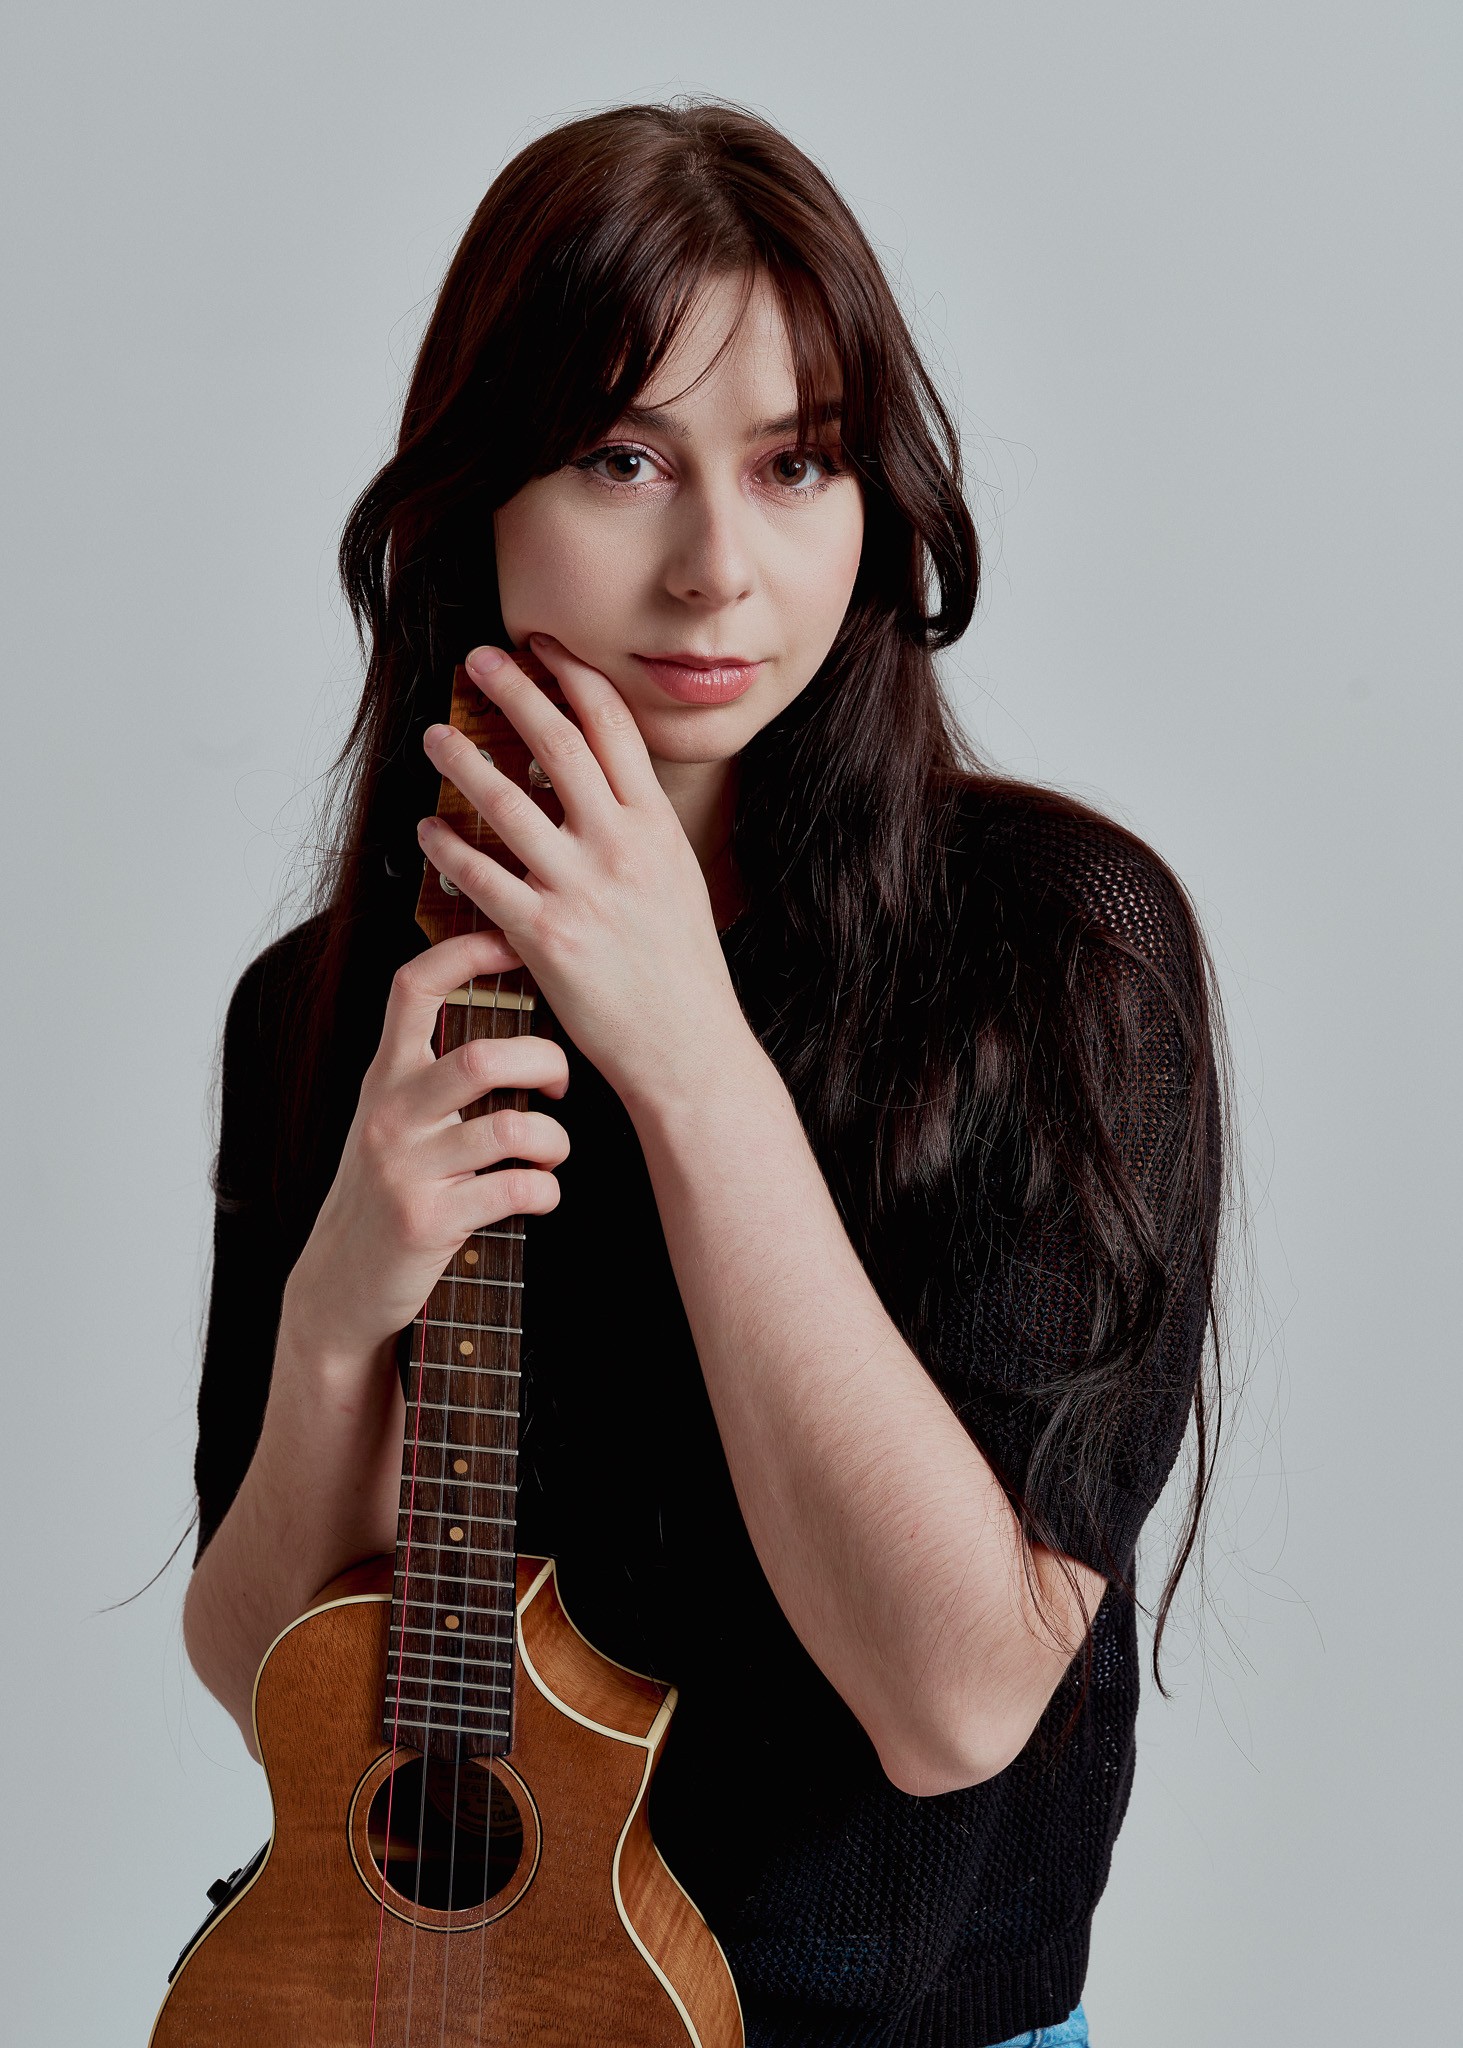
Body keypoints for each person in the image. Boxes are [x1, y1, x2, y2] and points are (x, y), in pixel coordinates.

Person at [181, 100, 1225, 2048]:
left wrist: (684, 1049)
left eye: (797, 462)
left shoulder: (1060, 951)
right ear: (477, 496)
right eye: (623, 458)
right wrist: (338, 1308)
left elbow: (955, 1703)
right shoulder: (322, 1006)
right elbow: (269, 1681)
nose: (717, 569)